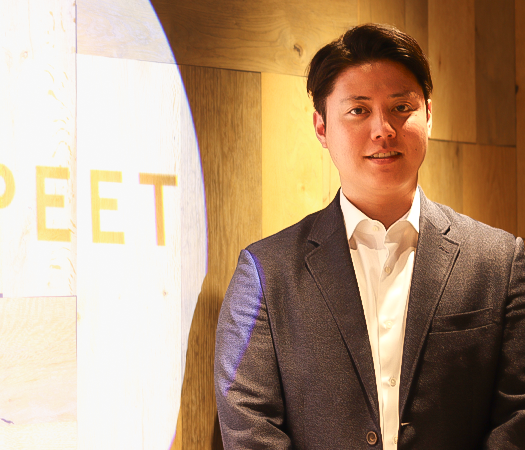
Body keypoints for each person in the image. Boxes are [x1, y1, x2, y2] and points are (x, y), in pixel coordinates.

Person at [214, 23, 525, 449]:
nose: (383, 129)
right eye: (358, 111)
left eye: (401, 107)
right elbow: (248, 422)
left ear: (428, 115)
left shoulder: (500, 261)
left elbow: (518, 413)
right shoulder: (268, 271)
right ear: (321, 128)